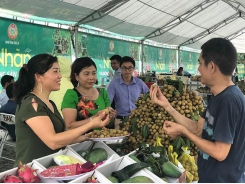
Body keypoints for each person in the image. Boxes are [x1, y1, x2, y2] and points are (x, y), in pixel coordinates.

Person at [150, 38, 245, 182]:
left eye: (200, 63)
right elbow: (198, 128)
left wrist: (183, 132)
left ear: (211, 67)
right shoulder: (218, 97)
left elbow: (220, 152)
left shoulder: (229, 101)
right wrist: (167, 106)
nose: (198, 69)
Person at [13, 54, 109, 165]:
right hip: (32, 172)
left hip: (50, 168)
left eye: (59, 71)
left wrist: (87, 137)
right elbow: (53, 141)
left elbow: (62, 136)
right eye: (55, 71)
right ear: (38, 77)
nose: (60, 76)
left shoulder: (50, 104)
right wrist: (90, 124)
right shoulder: (31, 103)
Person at [61, 57, 116, 130]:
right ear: (76, 76)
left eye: (94, 73)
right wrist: (93, 118)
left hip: (101, 138)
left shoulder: (102, 93)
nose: (91, 77)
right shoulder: (72, 95)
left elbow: (108, 123)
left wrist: (111, 117)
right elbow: (69, 126)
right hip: (81, 139)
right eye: (86, 74)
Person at [107, 56, 149, 129]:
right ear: (120, 68)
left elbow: (149, 96)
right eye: (124, 68)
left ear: (133, 69)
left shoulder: (139, 83)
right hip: (120, 120)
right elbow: (107, 101)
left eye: (130, 68)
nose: (127, 71)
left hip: (138, 121)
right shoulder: (114, 84)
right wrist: (110, 110)